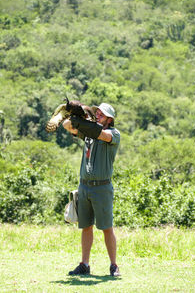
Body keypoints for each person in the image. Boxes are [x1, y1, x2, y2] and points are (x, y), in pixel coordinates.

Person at [63, 102, 120, 277]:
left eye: (102, 115)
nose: (98, 115)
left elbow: (101, 134)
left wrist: (85, 123)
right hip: (85, 186)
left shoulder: (113, 134)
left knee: (106, 227)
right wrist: (75, 117)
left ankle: (114, 265)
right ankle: (84, 264)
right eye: (97, 113)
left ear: (110, 119)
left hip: (102, 187)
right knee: (86, 227)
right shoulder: (88, 133)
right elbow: (67, 126)